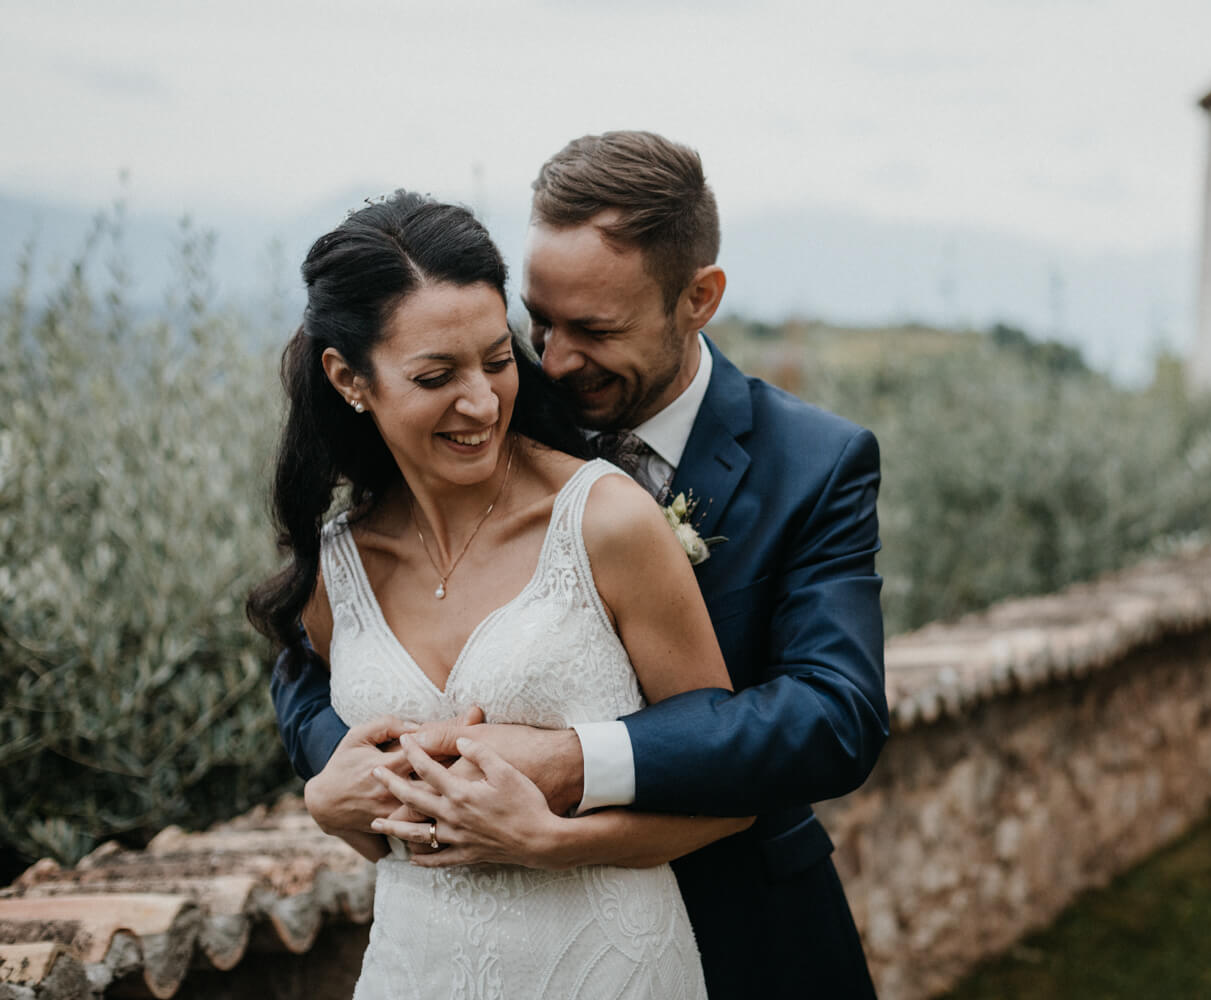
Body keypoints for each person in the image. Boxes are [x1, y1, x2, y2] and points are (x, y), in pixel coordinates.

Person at [272, 132, 889, 999]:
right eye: (540, 322)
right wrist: (347, 772)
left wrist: (571, 762)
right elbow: (313, 652)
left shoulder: (813, 463)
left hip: (743, 922)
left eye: (595, 330)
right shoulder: (483, 411)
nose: (550, 363)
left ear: (697, 299)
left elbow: (833, 716)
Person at [247, 191, 753, 998]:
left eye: (495, 360)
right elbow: (395, 822)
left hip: (607, 970)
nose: (481, 402)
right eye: (436, 375)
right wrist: (328, 803)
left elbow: (733, 793)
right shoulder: (337, 567)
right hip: (415, 969)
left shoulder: (605, 520)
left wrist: (550, 841)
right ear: (349, 378)